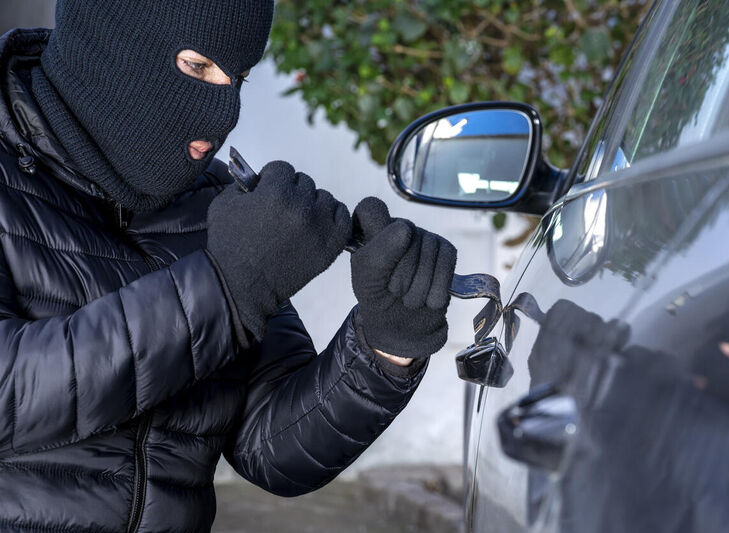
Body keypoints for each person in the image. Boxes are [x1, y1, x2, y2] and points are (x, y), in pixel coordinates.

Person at [0, 1, 457, 531]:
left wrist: (384, 345)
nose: (223, 113)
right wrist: (222, 290)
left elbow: (269, 446)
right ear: (110, 42)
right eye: (197, 67)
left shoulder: (214, 203)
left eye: (236, 78)